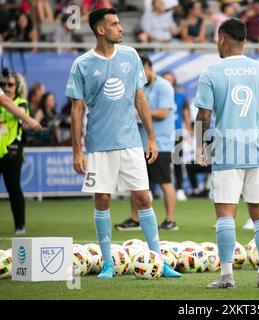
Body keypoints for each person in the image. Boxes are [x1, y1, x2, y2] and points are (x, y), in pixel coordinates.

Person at [65, 8, 180, 279]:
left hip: (130, 142)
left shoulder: (130, 56)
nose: (121, 28)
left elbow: (141, 100)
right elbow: (77, 110)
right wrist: (77, 151)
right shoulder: (82, 64)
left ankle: (159, 261)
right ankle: (107, 263)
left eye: (119, 23)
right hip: (98, 145)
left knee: (143, 197)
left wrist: (151, 137)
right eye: (115, 24)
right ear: (100, 30)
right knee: (102, 199)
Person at [195, 18, 259, 289]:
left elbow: (204, 115)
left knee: (225, 214)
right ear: (244, 40)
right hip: (255, 151)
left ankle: (227, 276)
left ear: (221, 38)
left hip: (226, 153)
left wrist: (202, 147)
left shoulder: (211, 72)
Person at [115, 56, 178, 231]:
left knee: (165, 182)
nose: (141, 76)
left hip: (161, 143)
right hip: (139, 143)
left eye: (143, 72)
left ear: (150, 68)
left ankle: (170, 220)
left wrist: (140, 113)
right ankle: (135, 219)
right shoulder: (139, 86)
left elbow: (164, 113)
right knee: (136, 183)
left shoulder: (164, 86)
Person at [0, 70, 42, 235]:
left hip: (12, 151)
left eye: (10, 84)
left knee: (14, 189)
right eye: (3, 84)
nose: (6, 87)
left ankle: (20, 226)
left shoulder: (20, 102)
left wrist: (29, 122)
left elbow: (22, 118)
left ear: (17, 87)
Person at [162, 71, 192, 201]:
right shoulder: (158, 95)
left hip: (177, 132)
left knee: (177, 162)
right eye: (166, 79)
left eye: (170, 79)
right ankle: (156, 189)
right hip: (161, 134)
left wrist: (189, 131)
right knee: (160, 163)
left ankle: (179, 189)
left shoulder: (180, 96)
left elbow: (186, 114)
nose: (168, 82)